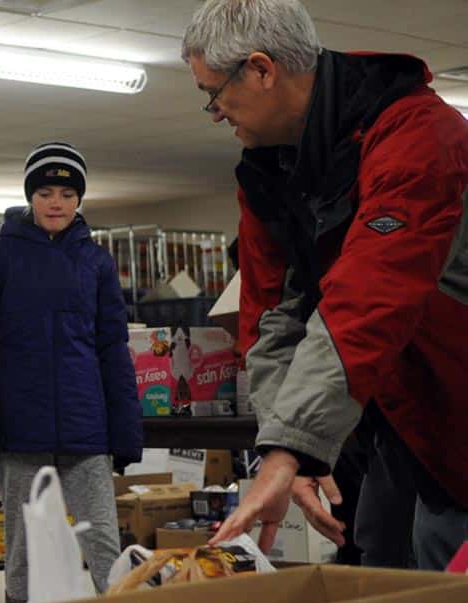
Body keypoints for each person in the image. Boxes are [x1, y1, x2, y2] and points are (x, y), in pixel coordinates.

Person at [182, 0, 468, 570]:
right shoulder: (268, 173)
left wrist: (290, 448)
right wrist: (286, 444)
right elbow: (268, 317)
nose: (215, 113)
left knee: (444, 560)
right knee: (375, 555)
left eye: (214, 94)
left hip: (454, 391)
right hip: (395, 409)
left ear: (261, 70)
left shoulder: (420, 136)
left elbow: (372, 293)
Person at [0, 142, 143, 603]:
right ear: (30, 198)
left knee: (103, 539)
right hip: (20, 431)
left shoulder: (96, 262)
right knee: (20, 547)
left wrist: (125, 430)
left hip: (87, 429)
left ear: (79, 199)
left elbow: (113, 349)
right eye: (44, 193)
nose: (56, 203)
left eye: (66, 193)